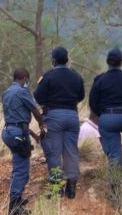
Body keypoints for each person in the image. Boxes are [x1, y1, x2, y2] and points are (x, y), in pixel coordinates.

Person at [34, 47, 85, 199]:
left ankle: (57, 188)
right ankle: (71, 186)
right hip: (72, 115)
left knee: (54, 152)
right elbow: (81, 96)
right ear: (67, 59)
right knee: (71, 150)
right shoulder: (76, 76)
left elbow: (38, 96)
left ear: (53, 60)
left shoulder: (48, 76)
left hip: (54, 116)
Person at [88, 48, 122, 168]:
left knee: (114, 155)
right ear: (121, 62)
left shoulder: (100, 80)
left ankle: (115, 183)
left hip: (107, 119)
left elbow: (92, 102)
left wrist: (102, 115)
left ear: (107, 62)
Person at [2, 68, 47, 215]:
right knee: (21, 170)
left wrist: (33, 135)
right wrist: (42, 124)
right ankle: (14, 206)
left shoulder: (7, 92)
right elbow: (34, 110)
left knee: (19, 165)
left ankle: (17, 199)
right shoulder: (22, 92)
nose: (27, 83)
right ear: (25, 78)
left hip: (9, 132)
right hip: (18, 133)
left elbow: (16, 120)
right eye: (27, 80)